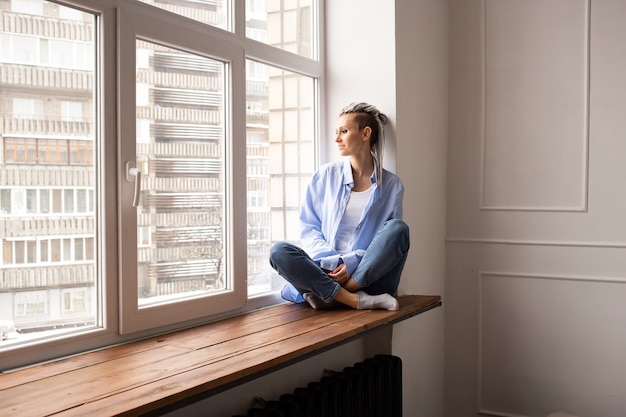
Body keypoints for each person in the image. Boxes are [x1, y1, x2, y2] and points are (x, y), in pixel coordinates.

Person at [269, 102, 410, 311]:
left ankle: (333, 295)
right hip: (325, 271)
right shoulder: (324, 176)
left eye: (344, 131)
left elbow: (385, 244)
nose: (337, 139)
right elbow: (309, 230)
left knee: (398, 229)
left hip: (368, 278)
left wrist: (351, 263)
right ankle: (353, 300)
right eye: (336, 132)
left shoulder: (392, 185)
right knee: (279, 252)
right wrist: (334, 263)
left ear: (365, 134)